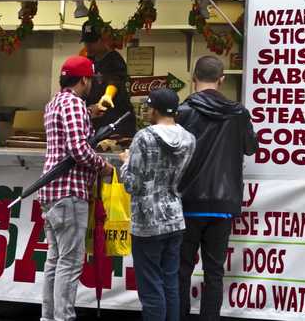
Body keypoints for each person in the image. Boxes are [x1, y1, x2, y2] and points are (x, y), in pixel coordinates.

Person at [177, 56, 258, 321]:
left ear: (193, 78)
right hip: (223, 205)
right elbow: (250, 147)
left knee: (181, 269)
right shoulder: (238, 113)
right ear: (222, 79)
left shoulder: (183, 112)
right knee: (214, 272)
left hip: (187, 203)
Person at [39, 55, 113, 321]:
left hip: (50, 192)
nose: (91, 84)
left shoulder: (54, 103)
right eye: (91, 80)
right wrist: (103, 166)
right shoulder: (74, 104)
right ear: (84, 79)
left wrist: (90, 112)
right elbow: (79, 150)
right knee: (69, 263)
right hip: (69, 193)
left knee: (55, 261)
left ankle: (49, 317)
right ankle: (64, 318)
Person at [119, 88, 195, 321]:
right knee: (170, 283)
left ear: (154, 109)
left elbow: (133, 185)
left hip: (147, 222)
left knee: (151, 288)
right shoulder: (188, 138)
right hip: (174, 217)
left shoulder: (144, 137)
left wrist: (126, 162)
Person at [81, 21, 137, 138]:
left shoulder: (115, 60)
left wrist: (108, 96)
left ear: (103, 40)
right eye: (86, 42)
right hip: (96, 122)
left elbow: (115, 81)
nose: (88, 46)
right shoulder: (88, 60)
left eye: (92, 42)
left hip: (117, 123)